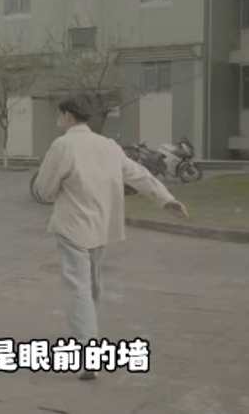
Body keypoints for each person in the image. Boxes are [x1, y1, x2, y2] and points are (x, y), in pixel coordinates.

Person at [33, 97, 188, 381]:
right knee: (91, 286)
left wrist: (57, 187)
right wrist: (165, 199)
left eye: (60, 115)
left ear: (68, 116)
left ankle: (87, 354)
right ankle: (89, 342)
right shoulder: (108, 145)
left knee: (78, 288)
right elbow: (138, 174)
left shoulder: (63, 145)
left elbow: (43, 190)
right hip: (101, 226)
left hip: (73, 226)